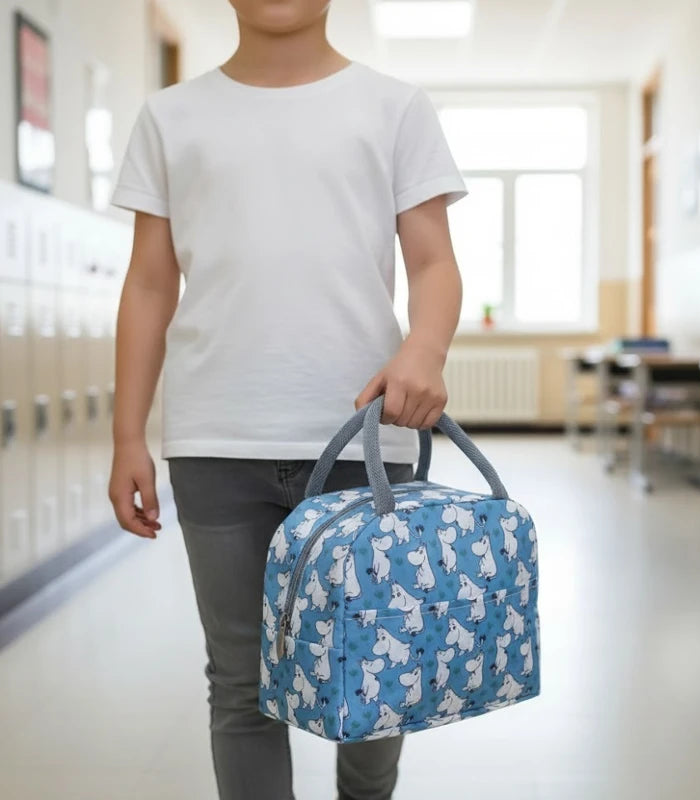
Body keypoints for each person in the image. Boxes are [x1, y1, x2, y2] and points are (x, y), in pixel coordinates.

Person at [107, 1, 466, 798]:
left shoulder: (394, 106)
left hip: (365, 441)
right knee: (241, 684)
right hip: (215, 440)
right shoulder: (171, 117)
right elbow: (149, 283)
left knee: (374, 672)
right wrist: (126, 432)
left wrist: (425, 348)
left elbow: (434, 263)